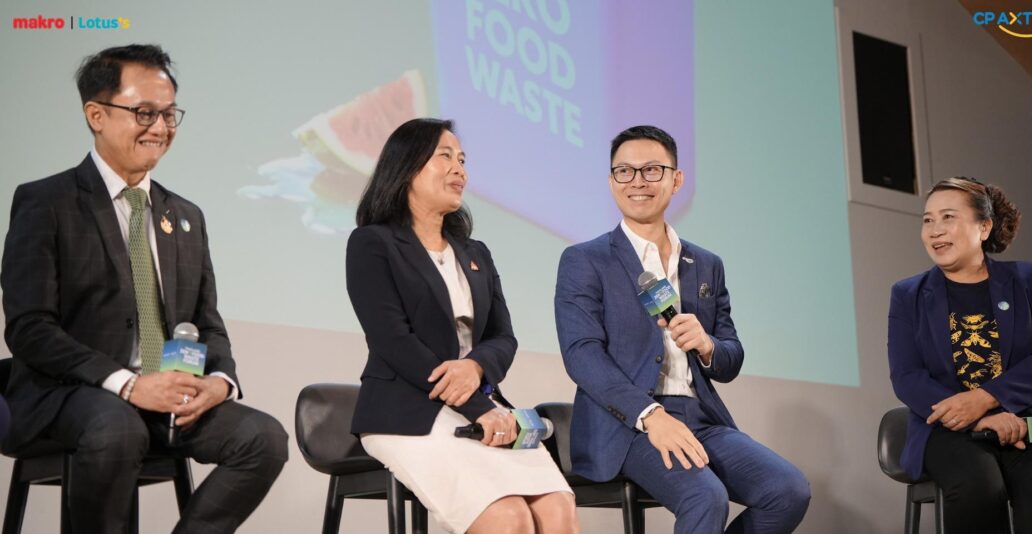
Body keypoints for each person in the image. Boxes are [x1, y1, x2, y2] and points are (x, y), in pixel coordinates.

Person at [0, 44, 288, 534]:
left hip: (165, 399)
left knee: (263, 438)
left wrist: (220, 382)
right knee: (117, 427)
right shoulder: (46, 202)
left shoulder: (186, 216)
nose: (160, 127)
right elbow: (30, 329)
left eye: (169, 114)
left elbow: (207, 323)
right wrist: (129, 384)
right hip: (72, 395)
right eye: (144, 113)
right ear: (96, 114)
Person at [554, 125, 810, 533]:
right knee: (705, 496)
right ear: (612, 181)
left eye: (652, 170)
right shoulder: (586, 259)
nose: (637, 181)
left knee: (788, 490)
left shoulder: (705, 264)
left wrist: (708, 346)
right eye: (625, 171)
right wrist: (650, 415)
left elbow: (730, 357)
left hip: (701, 419)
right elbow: (582, 355)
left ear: (676, 180)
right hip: (628, 425)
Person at [345, 118, 578, 534]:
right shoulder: (372, 243)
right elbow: (393, 340)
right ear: (407, 167)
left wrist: (476, 367)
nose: (460, 170)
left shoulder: (476, 253)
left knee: (558, 509)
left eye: (463, 160)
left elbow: (503, 337)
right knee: (508, 518)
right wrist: (479, 407)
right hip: (408, 412)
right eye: (445, 157)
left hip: (481, 405)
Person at [888, 176, 1032, 533]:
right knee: (979, 489)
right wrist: (976, 417)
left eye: (948, 217)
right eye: (928, 220)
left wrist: (986, 398)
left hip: (1027, 421)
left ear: (984, 227)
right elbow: (907, 376)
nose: (935, 231)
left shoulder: (1028, 279)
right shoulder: (908, 294)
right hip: (949, 428)